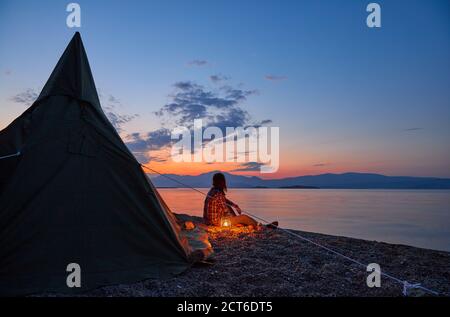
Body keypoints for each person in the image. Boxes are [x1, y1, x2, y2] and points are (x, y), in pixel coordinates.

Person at [203, 172, 278, 229]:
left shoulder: (212, 190)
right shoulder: (219, 193)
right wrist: (237, 219)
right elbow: (226, 211)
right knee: (244, 217)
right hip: (216, 222)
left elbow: (225, 201)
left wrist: (235, 206)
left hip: (207, 220)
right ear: (222, 182)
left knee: (230, 208)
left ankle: (244, 223)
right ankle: (263, 227)